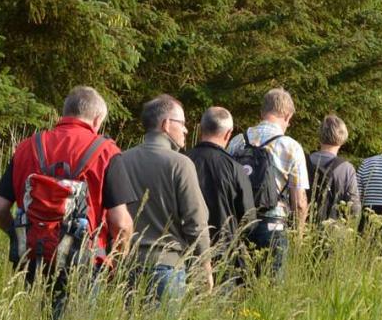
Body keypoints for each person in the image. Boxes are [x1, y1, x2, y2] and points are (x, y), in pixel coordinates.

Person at [0, 85, 135, 320]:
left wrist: (21, 235)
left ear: (65, 112)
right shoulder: (106, 151)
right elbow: (121, 223)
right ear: (97, 119)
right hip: (85, 264)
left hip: (34, 260)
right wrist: (117, 260)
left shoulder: (27, 147)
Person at [109, 94, 212, 302]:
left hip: (126, 266)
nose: (186, 130)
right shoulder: (180, 164)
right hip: (166, 266)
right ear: (166, 124)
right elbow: (196, 221)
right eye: (182, 123)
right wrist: (205, 266)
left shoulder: (120, 160)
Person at [227, 88, 308, 280]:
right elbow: (299, 202)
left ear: (262, 112)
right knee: (270, 288)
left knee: (237, 285)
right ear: (287, 116)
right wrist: (299, 235)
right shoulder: (291, 147)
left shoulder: (238, 141)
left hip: (239, 223)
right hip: (273, 224)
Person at [189, 106, 255, 280]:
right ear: (228, 134)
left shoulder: (182, 161)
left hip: (186, 252)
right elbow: (248, 218)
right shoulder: (235, 168)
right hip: (224, 254)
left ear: (201, 128)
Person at [306, 113, 361, 225]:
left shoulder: (304, 161)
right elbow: (354, 208)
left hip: (304, 228)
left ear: (320, 135)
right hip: (334, 232)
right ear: (343, 137)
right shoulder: (346, 168)